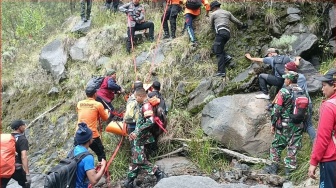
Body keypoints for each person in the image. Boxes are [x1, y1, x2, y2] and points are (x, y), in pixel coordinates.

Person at [263, 71, 304, 177]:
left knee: (276, 146)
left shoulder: (284, 91)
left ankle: (273, 168)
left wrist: (273, 123)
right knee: (293, 147)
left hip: (285, 125)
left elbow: (276, 110)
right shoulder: (302, 91)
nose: (284, 80)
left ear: (289, 80)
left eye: (286, 78)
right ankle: (289, 173)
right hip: (298, 125)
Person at [125, 88, 165, 188]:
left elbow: (150, 121)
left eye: (136, 97)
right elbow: (141, 122)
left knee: (139, 160)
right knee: (136, 158)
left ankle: (158, 173)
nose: (135, 98)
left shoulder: (146, 106)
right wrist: (134, 132)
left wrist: (137, 132)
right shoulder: (142, 105)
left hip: (141, 138)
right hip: (139, 137)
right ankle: (129, 182)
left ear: (140, 96)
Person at [308, 69, 336, 187]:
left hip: (331, 159)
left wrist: (314, 161)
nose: (322, 89)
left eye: (324, 85)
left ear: (334, 86)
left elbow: (323, 137)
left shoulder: (329, 106)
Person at [209, 1, 247, 77]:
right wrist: (243, 25)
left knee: (218, 53)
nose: (212, 10)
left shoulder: (213, 14)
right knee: (216, 48)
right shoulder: (227, 12)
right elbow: (236, 21)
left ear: (214, 8)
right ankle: (226, 57)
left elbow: (211, 25)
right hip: (227, 34)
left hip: (220, 32)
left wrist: (213, 32)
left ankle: (221, 72)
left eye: (212, 9)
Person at [284, 60, 316, 142]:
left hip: (300, 105)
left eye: (286, 69)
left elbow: (295, 94)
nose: (285, 70)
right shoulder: (300, 76)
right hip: (307, 102)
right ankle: (316, 144)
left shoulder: (297, 79)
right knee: (309, 125)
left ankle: (294, 148)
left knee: (298, 125)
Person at [77, 85, 109, 162]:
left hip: (79, 133)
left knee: (78, 156)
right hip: (92, 134)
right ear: (95, 94)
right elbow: (105, 118)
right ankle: (103, 171)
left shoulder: (79, 103)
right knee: (101, 153)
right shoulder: (98, 104)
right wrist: (107, 112)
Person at [74, 122, 106, 187]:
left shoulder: (75, 149)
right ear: (89, 140)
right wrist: (103, 167)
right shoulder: (88, 157)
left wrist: (92, 167)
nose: (93, 138)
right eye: (92, 136)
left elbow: (79, 167)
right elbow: (93, 181)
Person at [0, 120, 31, 188]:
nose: (24, 127)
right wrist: (27, 174)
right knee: (26, 184)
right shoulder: (22, 139)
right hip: (17, 168)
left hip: (5, 166)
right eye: (23, 125)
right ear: (19, 127)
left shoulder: (9, 138)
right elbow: (24, 156)